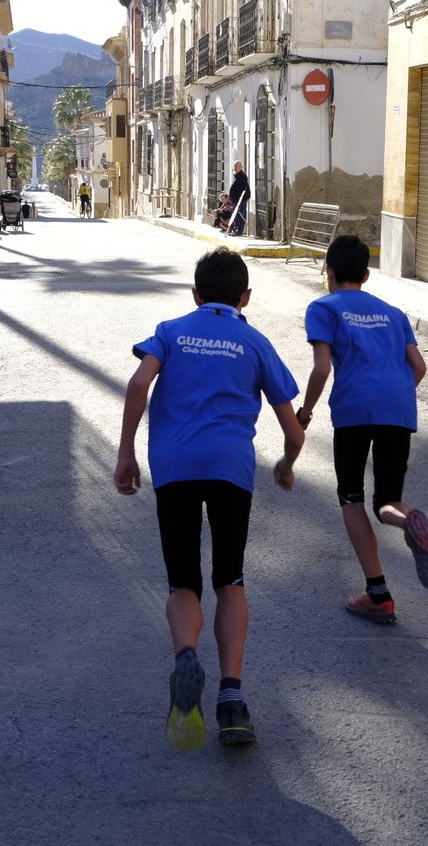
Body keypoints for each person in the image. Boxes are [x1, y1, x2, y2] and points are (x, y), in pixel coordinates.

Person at [114, 247, 305, 750]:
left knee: (183, 583)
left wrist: (126, 452)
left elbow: (139, 383)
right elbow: (294, 430)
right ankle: (232, 699)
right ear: (246, 297)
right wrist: (286, 464)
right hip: (230, 469)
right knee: (230, 581)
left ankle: (185, 657)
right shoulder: (254, 341)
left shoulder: (171, 331)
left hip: (174, 467)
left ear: (195, 295)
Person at [295, 236, 428, 625]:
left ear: (329, 272)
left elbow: (322, 368)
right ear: (366, 275)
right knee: (387, 501)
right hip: (398, 407)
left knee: (351, 499)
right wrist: (394, 396)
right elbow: (419, 367)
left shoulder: (323, 307)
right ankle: (408, 519)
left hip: (354, 410)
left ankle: (379, 596)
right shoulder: (393, 312)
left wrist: (305, 413)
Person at [227, 161, 251, 236]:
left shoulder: (242, 176)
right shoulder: (236, 176)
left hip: (240, 200)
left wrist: (244, 198)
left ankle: (239, 230)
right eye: (235, 166)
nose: (236, 168)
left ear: (241, 167)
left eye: (237, 166)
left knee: (240, 215)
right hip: (235, 200)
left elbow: (245, 188)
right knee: (236, 216)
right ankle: (235, 229)